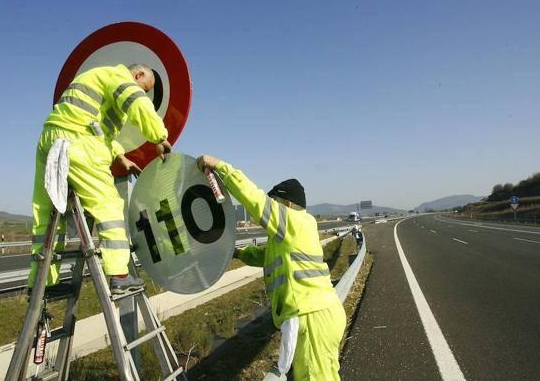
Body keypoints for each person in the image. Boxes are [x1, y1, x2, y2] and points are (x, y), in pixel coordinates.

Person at [197, 155, 347, 381]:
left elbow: (254, 199)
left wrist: (220, 167)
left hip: (313, 317)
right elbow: (265, 256)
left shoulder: (292, 221)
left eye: (274, 203)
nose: (271, 210)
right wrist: (237, 252)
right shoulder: (296, 232)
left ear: (286, 205)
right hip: (320, 314)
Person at [28, 63, 171, 294]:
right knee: (109, 208)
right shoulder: (118, 75)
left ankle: (41, 282)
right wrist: (159, 137)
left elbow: (94, 126)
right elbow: (137, 102)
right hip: (79, 143)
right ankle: (119, 275)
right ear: (138, 74)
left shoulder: (95, 77)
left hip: (49, 140)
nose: (143, 92)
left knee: (46, 214)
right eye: (144, 87)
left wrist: (119, 156)